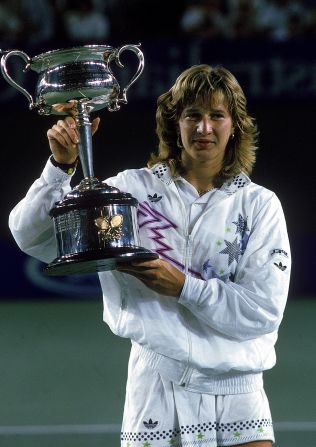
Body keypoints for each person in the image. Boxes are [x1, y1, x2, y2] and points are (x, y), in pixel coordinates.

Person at [9, 64, 291, 447]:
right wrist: (60, 168)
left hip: (237, 392)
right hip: (157, 386)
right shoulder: (130, 193)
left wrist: (184, 287)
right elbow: (31, 235)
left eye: (216, 116)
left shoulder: (260, 205)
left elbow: (262, 310)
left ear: (235, 125)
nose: (204, 128)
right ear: (175, 123)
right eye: (193, 115)